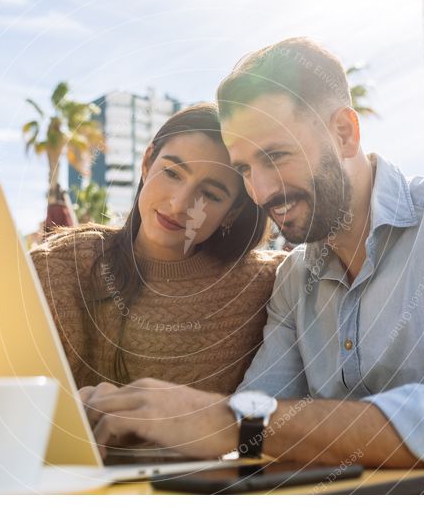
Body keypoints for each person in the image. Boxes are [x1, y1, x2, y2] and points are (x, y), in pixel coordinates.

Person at [80, 38, 424, 494]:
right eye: (244, 169)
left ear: (345, 132)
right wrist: (135, 430)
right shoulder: (294, 280)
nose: (260, 191)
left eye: (276, 156)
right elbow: (253, 428)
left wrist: (230, 422)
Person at [31, 103, 285, 394]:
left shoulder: (268, 283)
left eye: (211, 194)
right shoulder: (60, 267)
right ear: (147, 161)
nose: (179, 204)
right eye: (173, 173)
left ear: (233, 211)